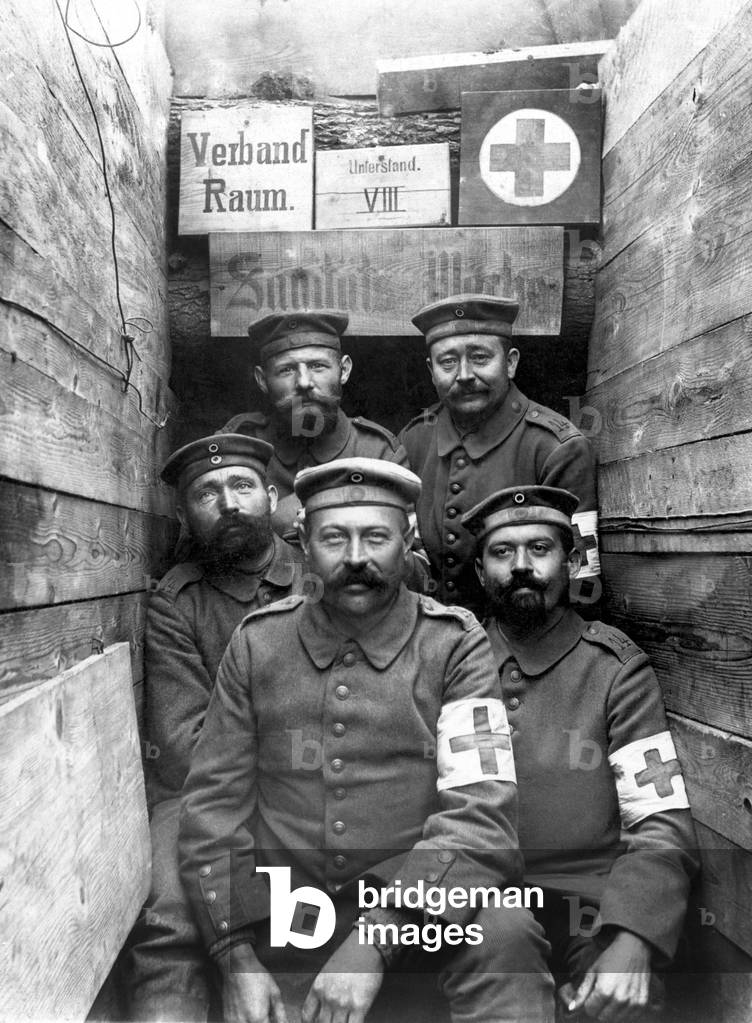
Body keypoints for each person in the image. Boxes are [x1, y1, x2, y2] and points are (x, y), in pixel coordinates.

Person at [178, 459, 556, 1023]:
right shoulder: (257, 644)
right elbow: (213, 806)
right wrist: (234, 956)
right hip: (290, 912)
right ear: (304, 543)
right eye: (334, 537)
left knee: (507, 931)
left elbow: (482, 813)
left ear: (406, 542)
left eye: (376, 536)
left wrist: (376, 939)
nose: (356, 557)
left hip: (424, 913)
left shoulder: (455, 645)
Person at [462, 485, 699, 1021]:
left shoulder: (615, 670)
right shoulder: (453, 661)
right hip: (477, 900)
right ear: (480, 573)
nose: (521, 566)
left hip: (586, 905)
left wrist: (634, 939)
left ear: (570, 563)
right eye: (502, 552)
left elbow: (659, 821)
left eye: (540, 549)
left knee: (624, 1005)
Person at [127, 433, 304, 1022]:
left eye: (242, 486)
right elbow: (182, 747)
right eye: (207, 492)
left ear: (272, 495)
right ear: (183, 514)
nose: (227, 502)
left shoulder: (322, 573)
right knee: (173, 916)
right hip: (201, 795)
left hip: (323, 781)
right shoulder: (176, 603)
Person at [400, 294, 599, 615]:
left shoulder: (558, 447)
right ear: (431, 370)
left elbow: (583, 584)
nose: (463, 374)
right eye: (447, 362)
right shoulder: (414, 439)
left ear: (510, 362)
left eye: (480, 357)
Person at [221, 309, 409, 540]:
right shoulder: (239, 445)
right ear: (262, 380)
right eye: (286, 370)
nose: (303, 383)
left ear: (344, 370)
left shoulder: (379, 452)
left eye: (318, 366)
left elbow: (406, 553)